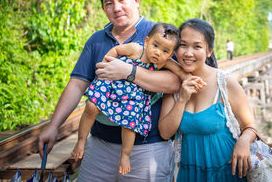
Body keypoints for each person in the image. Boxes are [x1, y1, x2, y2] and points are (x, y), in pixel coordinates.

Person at [38, 0, 182, 181]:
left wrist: (129, 73)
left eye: (122, 0)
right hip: (100, 146)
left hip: (146, 148)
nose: (116, 7)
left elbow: (175, 83)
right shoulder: (97, 40)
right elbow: (77, 84)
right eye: (109, 3)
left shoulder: (160, 36)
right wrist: (53, 126)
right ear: (104, 8)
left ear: (136, 0)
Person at [71, 23, 205, 175]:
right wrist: (106, 63)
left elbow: (180, 73)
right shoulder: (136, 49)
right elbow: (116, 50)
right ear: (147, 41)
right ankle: (81, 140)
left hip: (133, 98)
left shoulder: (164, 62)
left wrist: (191, 79)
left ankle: (125, 155)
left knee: (129, 124)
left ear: (170, 55)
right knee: (91, 106)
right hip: (113, 84)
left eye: (165, 51)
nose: (158, 52)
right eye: (155, 45)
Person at [158, 19, 258, 181]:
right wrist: (182, 99)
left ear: (209, 51)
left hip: (226, 171)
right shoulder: (173, 85)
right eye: (183, 45)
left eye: (197, 46)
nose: (188, 53)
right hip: (190, 174)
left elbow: (250, 126)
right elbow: (165, 132)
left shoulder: (225, 83)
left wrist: (243, 142)